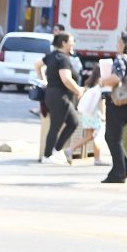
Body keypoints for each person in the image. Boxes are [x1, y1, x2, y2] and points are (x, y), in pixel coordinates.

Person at [99, 31, 127, 183]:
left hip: (119, 103)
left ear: (126, 45)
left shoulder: (121, 59)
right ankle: (126, 164)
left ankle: (118, 172)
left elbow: (116, 78)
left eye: (119, 42)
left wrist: (103, 81)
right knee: (113, 137)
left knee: (113, 138)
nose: (117, 45)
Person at [34, 32, 83, 164]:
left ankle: (57, 149)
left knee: (73, 122)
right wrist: (78, 90)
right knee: (55, 126)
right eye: (71, 41)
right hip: (59, 96)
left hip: (53, 94)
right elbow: (66, 79)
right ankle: (47, 155)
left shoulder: (51, 56)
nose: (73, 44)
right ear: (64, 43)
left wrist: (43, 79)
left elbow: (37, 65)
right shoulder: (62, 58)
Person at [66, 65, 106, 166]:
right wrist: (104, 115)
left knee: (89, 136)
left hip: (87, 114)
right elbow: (101, 101)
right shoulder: (101, 86)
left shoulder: (89, 85)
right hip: (96, 114)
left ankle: (71, 149)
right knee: (97, 136)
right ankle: (97, 159)